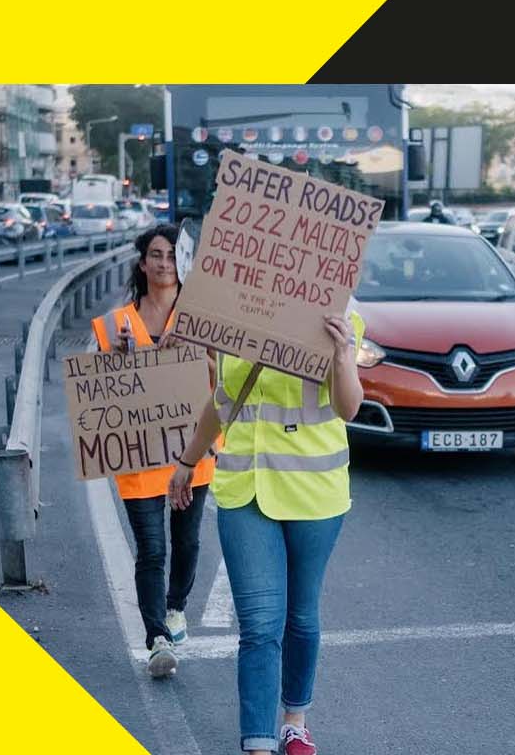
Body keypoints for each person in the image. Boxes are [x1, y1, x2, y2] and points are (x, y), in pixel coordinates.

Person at [169, 306, 365, 754]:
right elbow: (223, 400)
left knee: (301, 615)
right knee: (259, 624)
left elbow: (349, 406)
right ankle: (258, 743)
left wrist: (341, 355)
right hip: (245, 490)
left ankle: (294, 719)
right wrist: (187, 460)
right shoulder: (235, 313)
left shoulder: (341, 318)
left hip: (315, 493)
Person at [91, 224, 215, 678]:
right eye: (156, 256)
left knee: (187, 541)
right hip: (139, 455)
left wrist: (200, 352)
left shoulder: (202, 320)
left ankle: (177, 605)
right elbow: (104, 397)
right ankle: (157, 637)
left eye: (171, 256)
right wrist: (117, 361)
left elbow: (223, 383)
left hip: (192, 449)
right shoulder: (116, 325)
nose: (164, 264)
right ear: (143, 263)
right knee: (151, 549)